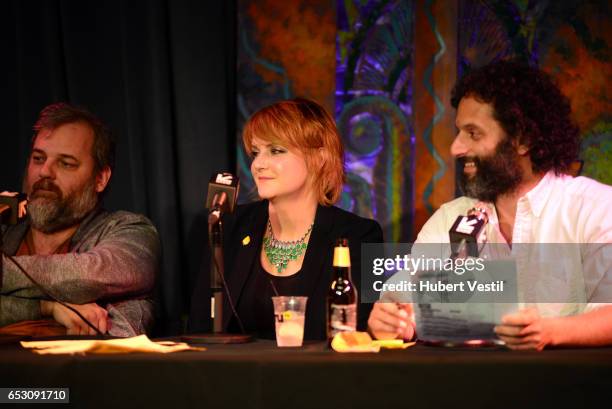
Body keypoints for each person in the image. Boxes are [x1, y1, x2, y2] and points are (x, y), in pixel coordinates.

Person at [368, 60, 612, 350]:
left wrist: (549, 331)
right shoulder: (450, 218)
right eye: (459, 132)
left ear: (523, 140)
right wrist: (392, 320)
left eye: (474, 133)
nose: (455, 148)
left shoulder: (594, 208)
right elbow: (402, 300)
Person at [189, 98, 383, 340]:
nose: (258, 164)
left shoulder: (359, 235)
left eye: (276, 150)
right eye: (255, 153)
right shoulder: (228, 225)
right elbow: (199, 329)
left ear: (320, 157)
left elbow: (361, 335)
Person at [0, 103, 159, 337]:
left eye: (65, 163)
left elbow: (88, 277)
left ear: (100, 179)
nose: (45, 171)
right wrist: (45, 308)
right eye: (38, 158)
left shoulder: (131, 230)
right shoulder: (6, 230)